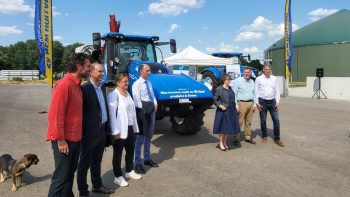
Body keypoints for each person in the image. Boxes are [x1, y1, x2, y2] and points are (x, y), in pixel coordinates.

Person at [46, 53, 90, 197]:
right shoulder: (65, 84)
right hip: (65, 141)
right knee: (60, 178)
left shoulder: (77, 86)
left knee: (69, 175)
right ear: (79, 66)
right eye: (88, 66)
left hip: (75, 139)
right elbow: (56, 114)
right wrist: (60, 139)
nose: (89, 69)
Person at [77, 63, 114, 196]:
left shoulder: (102, 86)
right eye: (100, 71)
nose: (102, 73)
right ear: (91, 73)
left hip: (102, 130)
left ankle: (97, 185)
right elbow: (79, 112)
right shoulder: (84, 89)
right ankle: (83, 192)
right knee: (84, 164)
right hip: (88, 134)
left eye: (102, 71)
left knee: (97, 161)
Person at [108, 73, 142, 187]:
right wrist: (115, 131)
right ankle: (117, 176)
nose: (127, 83)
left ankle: (129, 171)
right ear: (117, 82)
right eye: (124, 81)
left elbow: (132, 111)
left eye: (127, 81)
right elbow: (112, 115)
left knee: (130, 150)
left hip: (130, 127)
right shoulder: (113, 95)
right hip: (120, 129)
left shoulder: (127, 93)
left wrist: (135, 126)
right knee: (118, 153)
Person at [132, 64, 158, 174]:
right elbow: (137, 101)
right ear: (141, 71)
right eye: (147, 70)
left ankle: (147, 158)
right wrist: (147, 108)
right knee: (140, 138)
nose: (149, 72)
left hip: (152, 112)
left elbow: (152, 95)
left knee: (149, 136)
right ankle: (137, 162)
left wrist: (155, 104)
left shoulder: (149, 83)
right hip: (143, 113)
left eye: (149, 70)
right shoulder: (136, 84)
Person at [255, 65, 285, 147]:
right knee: (263, 120)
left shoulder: (274, 78)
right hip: (262, 102)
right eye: (266, 69)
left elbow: (277, 91)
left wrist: (277, 102)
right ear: (263, 70)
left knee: (276, 120)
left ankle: (277, 138)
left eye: (269, 69)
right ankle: (264, 136)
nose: (268, 71)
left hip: (272, 102)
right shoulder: (259, 79)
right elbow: (256, 91)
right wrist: (257, 103)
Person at [213, 74, 240, 151]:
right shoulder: (219, 89)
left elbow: (233, 99)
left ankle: (225, 143)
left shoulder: (230, 89)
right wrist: (220, 106)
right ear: (224, 80)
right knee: (222, 128)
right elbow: (215, 99)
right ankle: (220, 143)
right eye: (228, 80)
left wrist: (236, 106)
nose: (230, 81)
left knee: (228, 127)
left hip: (231, 110)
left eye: (230, 79)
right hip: (223, 110)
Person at [233, 67, 257, 145]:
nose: (247, 73)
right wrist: (236, 105)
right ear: (243, 73)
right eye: (245, 72)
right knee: (240, 122)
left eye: (248, 72)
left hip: (250, 103)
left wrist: (254, 104)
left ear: (250, 73)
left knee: (248, 122)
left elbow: (255, 93)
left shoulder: (252, 81)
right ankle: (236, 138)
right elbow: (234, 94)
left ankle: (247, 137)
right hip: (241, 103)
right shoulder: (238, 81)